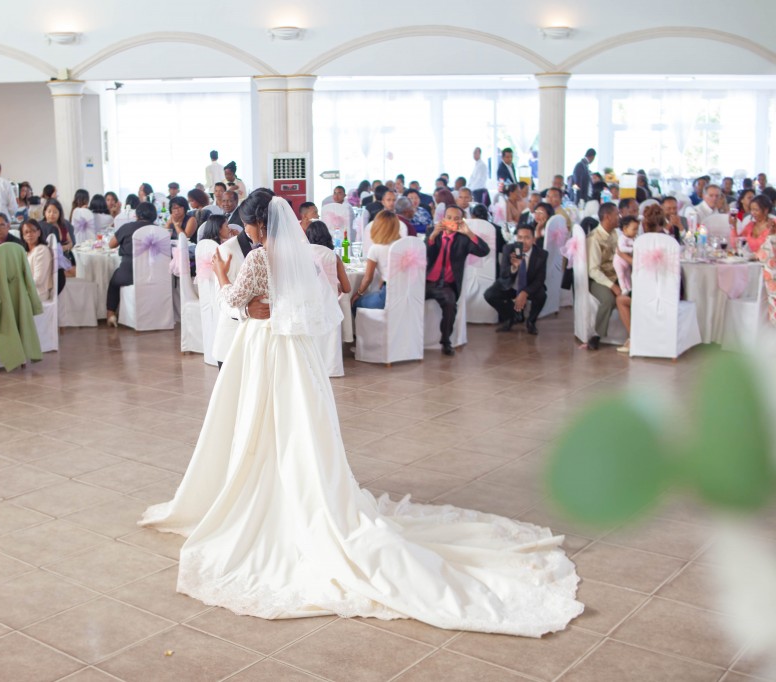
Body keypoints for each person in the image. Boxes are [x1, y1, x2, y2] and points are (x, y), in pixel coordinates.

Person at [139, 188, 582, 636]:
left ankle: (268, 491)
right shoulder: (299, 256)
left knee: (263, 422)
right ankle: (298, 485)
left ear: (257, 225)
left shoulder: (257, 258)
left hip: (265, 349)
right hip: (295, 353)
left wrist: (218, 274)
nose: (244, 232)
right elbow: (314, 302)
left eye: (245, 225)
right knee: (297, 427)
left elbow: (235, 302)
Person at [425, 205, 491, 355]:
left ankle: (446, 341)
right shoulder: (432, 232)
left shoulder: (463, 238)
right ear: (443, 219)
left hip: (447, 285)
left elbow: (484, 251)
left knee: (450, 304)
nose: (451, 221)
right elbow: (424, 254)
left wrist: (468, 232)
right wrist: (433, 236)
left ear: (461, 221)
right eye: (449, 218)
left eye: (456, 219)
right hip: (427, 282)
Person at [484, 223, 546, 335]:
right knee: (489, 294)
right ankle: (510, 317)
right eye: (520, 237)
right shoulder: (509, 249)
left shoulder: (541, 254)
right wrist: (514, 267)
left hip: (528, 286)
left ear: (533, 239)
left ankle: (531, 322)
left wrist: (525, 293)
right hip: (510, 285)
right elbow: (503, 274)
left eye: (527, 237)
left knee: (542, 295)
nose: (523, 241)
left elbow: (540, 280)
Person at [105, 201, 157, 327]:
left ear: (137, 214)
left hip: (129, 273)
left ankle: (110, 314)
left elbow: (111, 244)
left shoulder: (127, 227)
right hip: (153, 273)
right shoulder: (158, 230)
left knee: (113, 282)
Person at [586, 203, 621, 351]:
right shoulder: (594, 238)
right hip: (598, 279)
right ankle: (596, 335)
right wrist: (612, 285)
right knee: (608, 300)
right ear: (607, 217)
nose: (619, 217)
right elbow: (593, 271)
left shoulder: (614, 233)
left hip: (616, 275)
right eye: (616, 214)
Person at [350, 210, 401, 311]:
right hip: (407, 294)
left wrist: (359, 293)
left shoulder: (376, 248)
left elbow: (368, 278)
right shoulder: (403, 244)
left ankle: (364, 327)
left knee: (355, 303)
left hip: (387, 296)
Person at [21, 219, 54, 302]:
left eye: (33, 231)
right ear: (23, 236)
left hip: (37, 293)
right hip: (27, 291)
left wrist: (18, 283)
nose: (29, 234)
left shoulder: (41, 250)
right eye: (26, 232)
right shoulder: (26, 252)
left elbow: (38, 280)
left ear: (39, 232)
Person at [613, 215, 639, 297]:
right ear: (625, 229)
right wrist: (632, 249)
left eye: (637, 229)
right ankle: (623, 288)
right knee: (621, 276)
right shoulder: (622, 238)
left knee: (628, 275)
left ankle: (629, 288)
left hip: (627, 261)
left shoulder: (634, 238)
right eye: (634, 229)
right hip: (619, 262)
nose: (636, 232)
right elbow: (621, 248)